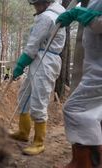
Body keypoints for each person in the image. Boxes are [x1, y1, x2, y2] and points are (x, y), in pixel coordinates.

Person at [10, 0, 66, 155]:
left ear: (45, 3)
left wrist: (21, 64)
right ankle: (23, 132)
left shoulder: (47, 18)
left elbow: (33, 45)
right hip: (39, 59)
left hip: (45, 62)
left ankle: (39, 142)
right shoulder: (50, 14)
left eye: (36, 4)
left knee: (39, 100)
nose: (34, 7)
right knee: (24, 95)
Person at [56, 0, 102, 167]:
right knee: (94, 113)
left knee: (76, 109)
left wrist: (81, 14)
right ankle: (86, 161)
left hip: (100, 70)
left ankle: (85, 163)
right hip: (95, 65)